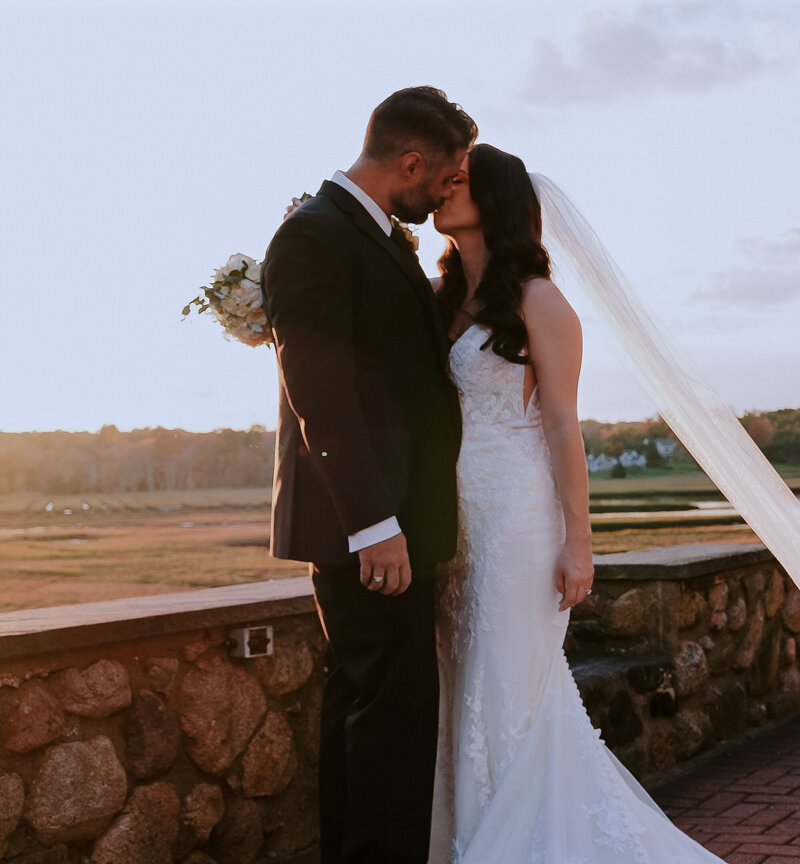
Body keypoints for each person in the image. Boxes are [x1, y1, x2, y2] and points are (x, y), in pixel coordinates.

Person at [427, 143, 728, 862]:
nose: (441, 189)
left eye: (458, 181)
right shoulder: (441, 301)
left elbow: (563, 425)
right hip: (459, 521)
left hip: (521, 522)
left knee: (507, 691)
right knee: (467, 683)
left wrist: (579, 542)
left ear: (494, 201)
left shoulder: (541, 302)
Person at [260, 87, 477, 864]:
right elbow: (320, 392)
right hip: (370, 528)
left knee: (373, 711)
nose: (446, 193)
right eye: (445, 178)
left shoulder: (367, 232)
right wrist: (373, 524)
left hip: (395, 520)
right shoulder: (316, 236)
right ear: (410, 163)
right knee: (388, 720)